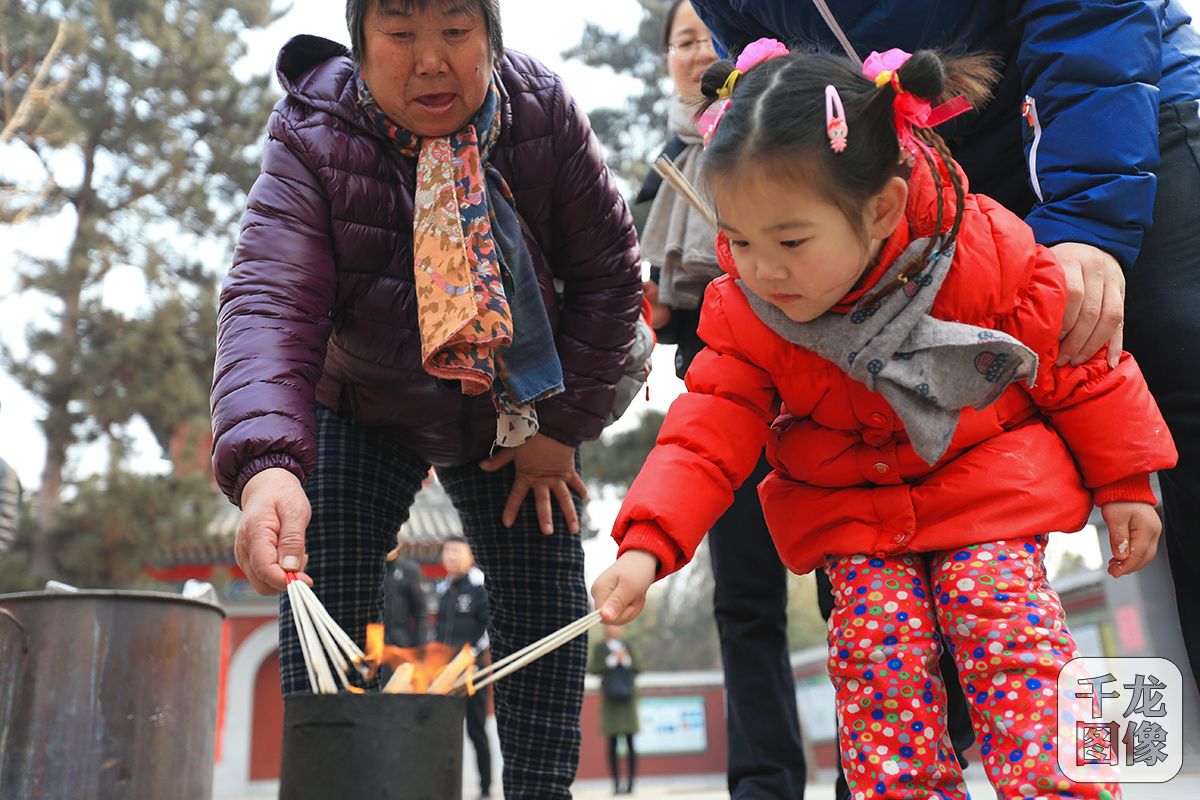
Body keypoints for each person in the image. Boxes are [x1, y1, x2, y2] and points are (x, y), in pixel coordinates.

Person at [592, 43, 1177, 799]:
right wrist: (647, 547)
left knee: (1006, 636)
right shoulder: (746, 310)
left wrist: (1126, 479)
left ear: (881, 209)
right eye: (738, 241)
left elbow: (1077, 360)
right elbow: (706, 429)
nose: (764, 269)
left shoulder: (982, 249)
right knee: (878, 670)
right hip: (857, 518)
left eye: (791, 241)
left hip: (987, 495)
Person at [688, 0, 1200, 698]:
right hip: (881, 170)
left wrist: (1088, 218)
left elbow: (1090, 18)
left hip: (1107, 104)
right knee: (868, 420)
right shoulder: (765, 294)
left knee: (1172, 359)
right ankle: (899, 751)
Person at [208, 1, 643, 796]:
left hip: (515, 411)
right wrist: (267, 466)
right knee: (325, 587)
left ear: (492, 34)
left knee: (546, 606)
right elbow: (271, 301)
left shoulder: (540, 109)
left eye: (455, 29)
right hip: (362, 402)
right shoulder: (312, 130)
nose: (431, 61)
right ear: (361, 43)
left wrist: (560, 430)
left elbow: (612, 274)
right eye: (400, 33)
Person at [635, 3, 808, 797]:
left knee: (859, 580)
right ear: (667, 60)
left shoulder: (794, 131)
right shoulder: (660, 164)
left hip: (816, 364)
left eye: (709, 36)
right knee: (744, 596)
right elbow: (639, 291)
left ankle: (882, 768)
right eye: (682, 41)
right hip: (720, 374)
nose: (697, 51)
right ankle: (764, 780)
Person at [435, 537, 492, 799]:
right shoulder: (444, 589)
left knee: (476, 729)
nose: (451, 556)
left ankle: (485, 787)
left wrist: (471, 654)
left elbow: (489, 629)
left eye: (457, 551)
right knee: (446, 729)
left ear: (470, 555)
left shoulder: (479, 587)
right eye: (447, 552)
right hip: (445, 673)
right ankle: (447, 787)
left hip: (472, 669)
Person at [588, 625, 641, 796]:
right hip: (610, 700)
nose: (616, 628)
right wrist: (612, 660)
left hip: (627, 700)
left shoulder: (629, 646)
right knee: (612, 744)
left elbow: (639, 668)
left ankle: (631, 784)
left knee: (630, 743)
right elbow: (593, 668)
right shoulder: (601, 648)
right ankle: (616, 784)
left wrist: (625, 658)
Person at [382, 545, 427, 649]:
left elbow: (420, 613)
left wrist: (421, 647)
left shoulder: (409, 570)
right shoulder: (366, 569)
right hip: (372, 639)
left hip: (400, 641)